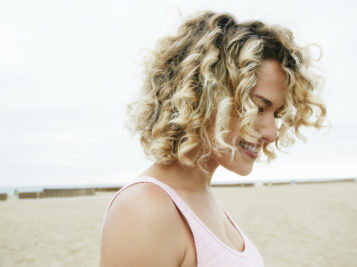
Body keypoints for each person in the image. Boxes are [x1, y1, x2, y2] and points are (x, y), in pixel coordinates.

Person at [100, 11, 326, 267]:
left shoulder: (202, 197)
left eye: (277, 114)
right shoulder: (144, 211)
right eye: (259, 108)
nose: (272, 133)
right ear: (205, 95)